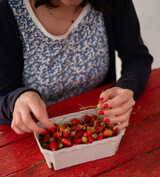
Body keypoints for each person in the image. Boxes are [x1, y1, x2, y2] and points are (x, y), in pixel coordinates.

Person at [0, 0, 153, 134]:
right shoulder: (7, 11)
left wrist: (127, 87)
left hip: (103, 127)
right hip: (32, 138)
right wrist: (16, 100)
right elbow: (3, 97)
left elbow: (137, 58)